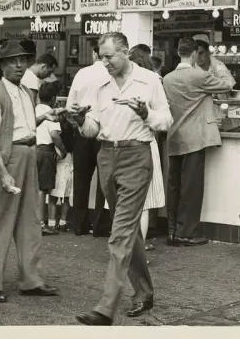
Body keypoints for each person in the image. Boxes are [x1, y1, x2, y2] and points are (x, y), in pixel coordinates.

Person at [68, 32, 172, 325]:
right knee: (125, 230)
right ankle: (144, 291)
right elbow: (92, 129)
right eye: (101, 56)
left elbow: (165, 120)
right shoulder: (100, 83)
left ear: (125, 52)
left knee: (120, 234)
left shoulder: (150, 80)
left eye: (108, 56)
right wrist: (79, 120)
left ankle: (105, 307)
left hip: (137, 156)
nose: (104, 62)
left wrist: (146, 113)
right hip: (107, 155)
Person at [0, 41, 60, 303]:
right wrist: (3, 173)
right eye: (13, 61)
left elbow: (21, 125)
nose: (19, 65)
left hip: (28, 155)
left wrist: (47, 116)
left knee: (30, 221)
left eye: (23, 60)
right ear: (2, 65)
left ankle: (31, 280)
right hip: (7, 157)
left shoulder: (25, 91)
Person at [163, 39, 234, 247]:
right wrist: (218, 64)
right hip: (194, 137)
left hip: (174, 137)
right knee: (191, 189)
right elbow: (229, 84)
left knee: (174, 186)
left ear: (178, 52)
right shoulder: (200, 76)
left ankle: (172, 230)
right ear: (194, 53)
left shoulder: (167, 78)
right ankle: (187, 232)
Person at [67, 41, 110, 237]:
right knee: (104, 182)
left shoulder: (82, 74)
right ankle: (100, 224)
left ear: (94, 54)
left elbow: (70, 105)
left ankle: (79, 223)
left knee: (81, 179)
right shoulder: (112, 74)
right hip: (104, 131)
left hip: (82, 129)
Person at [128, 46, 167, 253]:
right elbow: (163, 118)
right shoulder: (154, 80)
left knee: (127, 203)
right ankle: (139, 249)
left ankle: (127, 249)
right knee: (143, 203)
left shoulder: (123, 82)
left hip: (124, 143)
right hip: (147, 141)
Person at [35, 80, 68, 236]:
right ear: (54, 98)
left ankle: (34, 221)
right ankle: (41, 223)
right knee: (43, 188)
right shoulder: (50, 113)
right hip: (46, 151)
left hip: (33, 149)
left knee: (35, 187)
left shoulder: (34, 110)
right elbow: (55, 135)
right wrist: (63, 151)